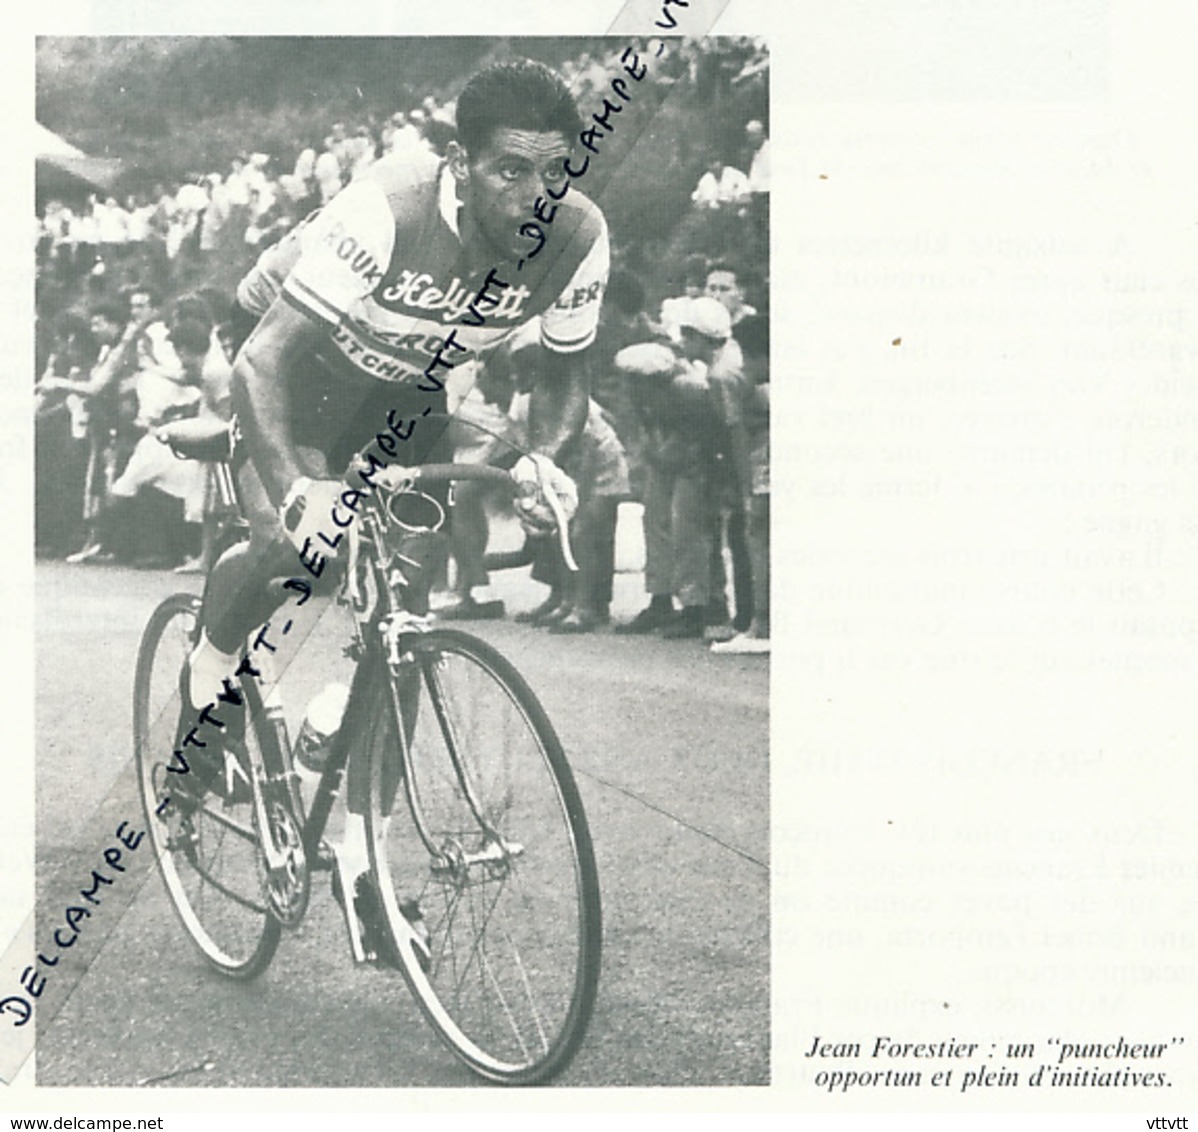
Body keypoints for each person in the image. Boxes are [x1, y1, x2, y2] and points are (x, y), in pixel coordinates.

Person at [181, 58, 608, 925]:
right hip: (296, 362)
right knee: (300, 550)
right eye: (509, 169)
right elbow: (264, 361)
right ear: (460, 163)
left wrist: (543, 458)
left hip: (407, 390)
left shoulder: (579, 237)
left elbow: (565, 378)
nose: (536, 193)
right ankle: (212, 667)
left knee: (400, 611)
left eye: (553, 170)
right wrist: (300, 487)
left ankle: (361, 859)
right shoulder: (388, 206)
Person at [711, 313, 769, 654]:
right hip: (762, 464)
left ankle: (761, 622)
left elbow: (738, 437)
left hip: (762, 467)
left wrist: (746, 489)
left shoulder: (750, 386)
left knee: (757, 538)